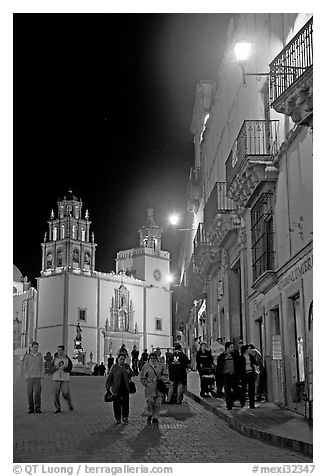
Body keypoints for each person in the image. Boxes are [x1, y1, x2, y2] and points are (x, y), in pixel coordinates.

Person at [140, 352, 168, 426]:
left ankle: (155, 417)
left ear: (156, 358)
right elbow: (142, 378)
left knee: (157, 403)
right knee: (150, 402)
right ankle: (150, 414)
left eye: (154, 358)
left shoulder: (161, 366)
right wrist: (146, 383)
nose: (153, 359)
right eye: (151, 358)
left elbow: (165, 375)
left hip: (158, 388)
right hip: (149, 388)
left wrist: (161, 378)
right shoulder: (146, 366)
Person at [105, 353, 133, 424]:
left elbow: (132, 373)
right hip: (116, 388)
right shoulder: (114, 367)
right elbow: (110, 377)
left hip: (125, 387)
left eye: (123, 359)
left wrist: (129, 372)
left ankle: (125, 416)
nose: (122, 360)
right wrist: (108, 387)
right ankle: (117, 418)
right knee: (116, 403)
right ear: (118, 359)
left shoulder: (126, 366)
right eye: (121, 359)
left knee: (125, 403)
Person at [21, 341, 45, 414]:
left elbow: (42, 365)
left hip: (37, 376)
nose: (36, 349)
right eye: (35, 347)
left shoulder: (40, 355)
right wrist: (25, 374)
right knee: (30, 393)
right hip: (29, 377)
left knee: (37, 393)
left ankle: (37, 408)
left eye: (37, 347)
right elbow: (24, 366)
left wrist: (42, 375)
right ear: (31, 348)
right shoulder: (27, 356)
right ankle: (31, 408)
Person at [216, 341, 239, 410]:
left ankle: (231, 401)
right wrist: (218, 376)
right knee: (227, 390)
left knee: (236, 390)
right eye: (231, 347)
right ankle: (229, 404)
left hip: (234, 375)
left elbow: (238, 365)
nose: (233, 348)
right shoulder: (222, 356)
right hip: (226, 375)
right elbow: (219, 367)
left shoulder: (235, 355)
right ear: (227, 348)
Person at [52, 345, 74, 413]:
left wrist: (66, 369)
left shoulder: (67, 359)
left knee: (65, 393)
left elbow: (70, 367)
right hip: (56, 378)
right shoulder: (55, 358)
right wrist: (54, 369)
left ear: (63, 351)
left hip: (65, 378)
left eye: (60, 350)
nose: (59, 352)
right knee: (56, 393)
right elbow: (51, 368)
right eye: (58, 350)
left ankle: (69, 402)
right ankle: (58, 408)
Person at [238, 345, 257, 409]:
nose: (250, 350)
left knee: (252, 389)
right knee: (243, 389)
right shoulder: (241, 357)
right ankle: (242, 402)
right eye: (249, 349)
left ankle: (252, 404)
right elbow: (239, 367)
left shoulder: (251, 357)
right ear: (246, 350)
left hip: (251, 373)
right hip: (244, 374)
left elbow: (255, 363)